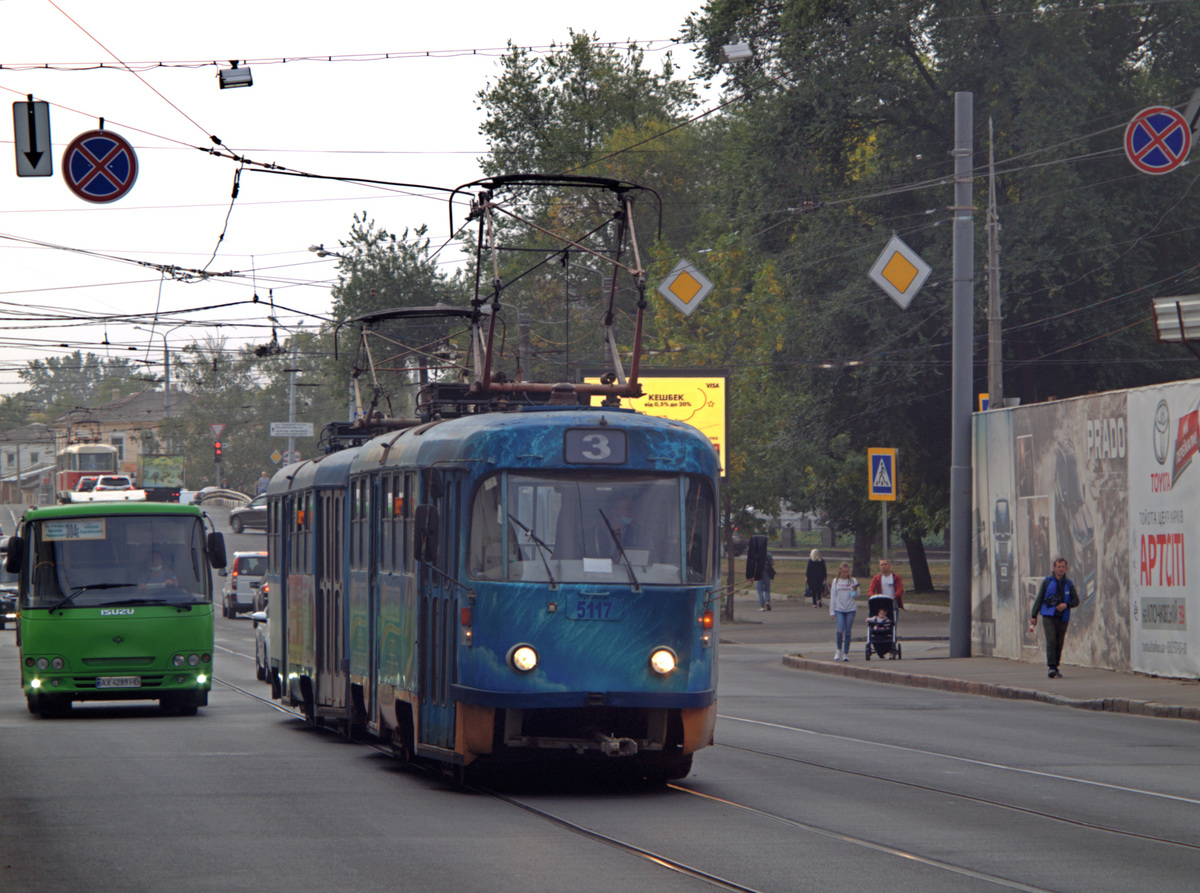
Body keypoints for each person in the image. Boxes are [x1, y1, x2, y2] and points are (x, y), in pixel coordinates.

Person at [1028, 557, 1079, 678]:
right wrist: (1034, 615)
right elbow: (1040, 598)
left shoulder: (1069, 584)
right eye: (1058, 567)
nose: (1061, 569)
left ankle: (1056, 666)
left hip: (1063, 617)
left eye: (1063, 567)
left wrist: (1066, 605)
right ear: (1054, 568)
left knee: (1059, 642)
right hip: (1049, 615)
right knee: (1051, 640)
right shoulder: (1047, 582)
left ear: (1066, 568)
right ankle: (1051, 667)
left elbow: (1076, 600)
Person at [828, 561, 860, 661]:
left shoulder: (853, 580)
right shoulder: (836, 581)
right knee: (839, 630)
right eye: (843, 572)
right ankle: (838, 649)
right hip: (839, 609)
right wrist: (832, 611)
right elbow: (833, 597)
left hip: (850, 609)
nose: (845, 574)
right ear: (840, 572)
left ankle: (845, 653)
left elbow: (856, 596)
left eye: (847, 572)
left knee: (848, 631)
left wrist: (855, 589)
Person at [746, 535, 774, 611]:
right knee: (767, 588)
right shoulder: (768, 554)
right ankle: (767, 601)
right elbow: (772, 563)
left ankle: (762, 605)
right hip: (767, 573)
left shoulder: (756, 555)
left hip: (758, 573)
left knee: (759, 590)